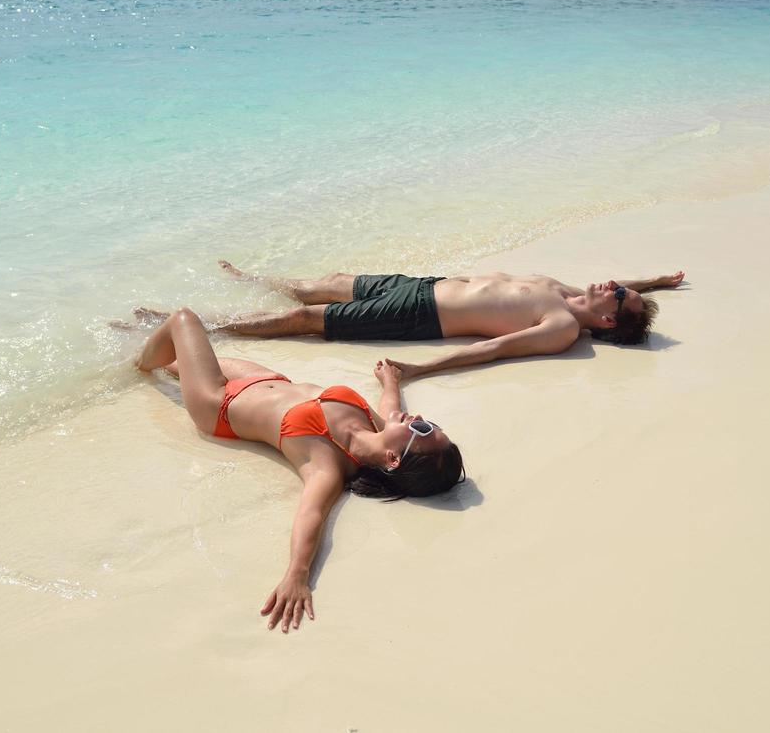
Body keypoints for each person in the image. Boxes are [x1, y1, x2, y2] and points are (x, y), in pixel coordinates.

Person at [134, 306, 463, 632]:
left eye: (423, 431)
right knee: (175, 358)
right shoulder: (377, 428)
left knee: (183, 321)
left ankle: (129, 365)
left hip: (217, 403)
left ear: (393, 459)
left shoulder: (329, 465)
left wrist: (297, 575)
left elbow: (312, 515)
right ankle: (133, 335)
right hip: (263, 379)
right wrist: (390, 381)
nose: (419, 419)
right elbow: (391, 410)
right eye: (430, 423)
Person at [145, 263, 686, 381]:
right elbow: (625, 285)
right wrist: (656, 283)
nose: (613, 285)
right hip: (423, 284)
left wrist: (417, 370)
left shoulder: (563, 327)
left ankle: (193, 327)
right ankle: (242, 281)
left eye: (619, 294)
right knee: (312, 285)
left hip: (419, 315)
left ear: (610, 322)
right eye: (621, 285)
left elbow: (493, 352)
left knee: (303, 318)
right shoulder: (567, 292)